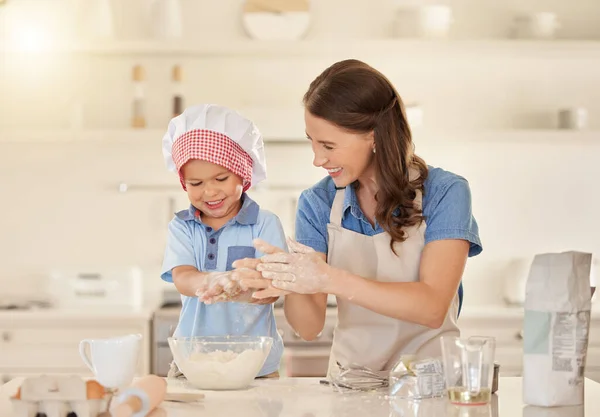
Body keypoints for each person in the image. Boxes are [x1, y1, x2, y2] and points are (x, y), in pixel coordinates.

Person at [233, 59, 483, 378]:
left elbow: (432, 308)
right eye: (312, 141)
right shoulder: (317, 203)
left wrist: (329, 278)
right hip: (350, 383)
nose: (317, 159)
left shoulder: (446, 192)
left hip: (428, 386)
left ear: (374, 136)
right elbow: (309, 328)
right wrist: (287, 280)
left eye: (328, 145)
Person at [160, 104, 286, 378]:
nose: (209, 191)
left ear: (243, 173)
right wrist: (212, 282)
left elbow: (274, 289)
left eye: (220, 178)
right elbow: (183, 277)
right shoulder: (182, 225)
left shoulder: (265, 223)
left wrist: (240, 288)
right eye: (195, 183)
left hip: (256, 367)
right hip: (192, 362)